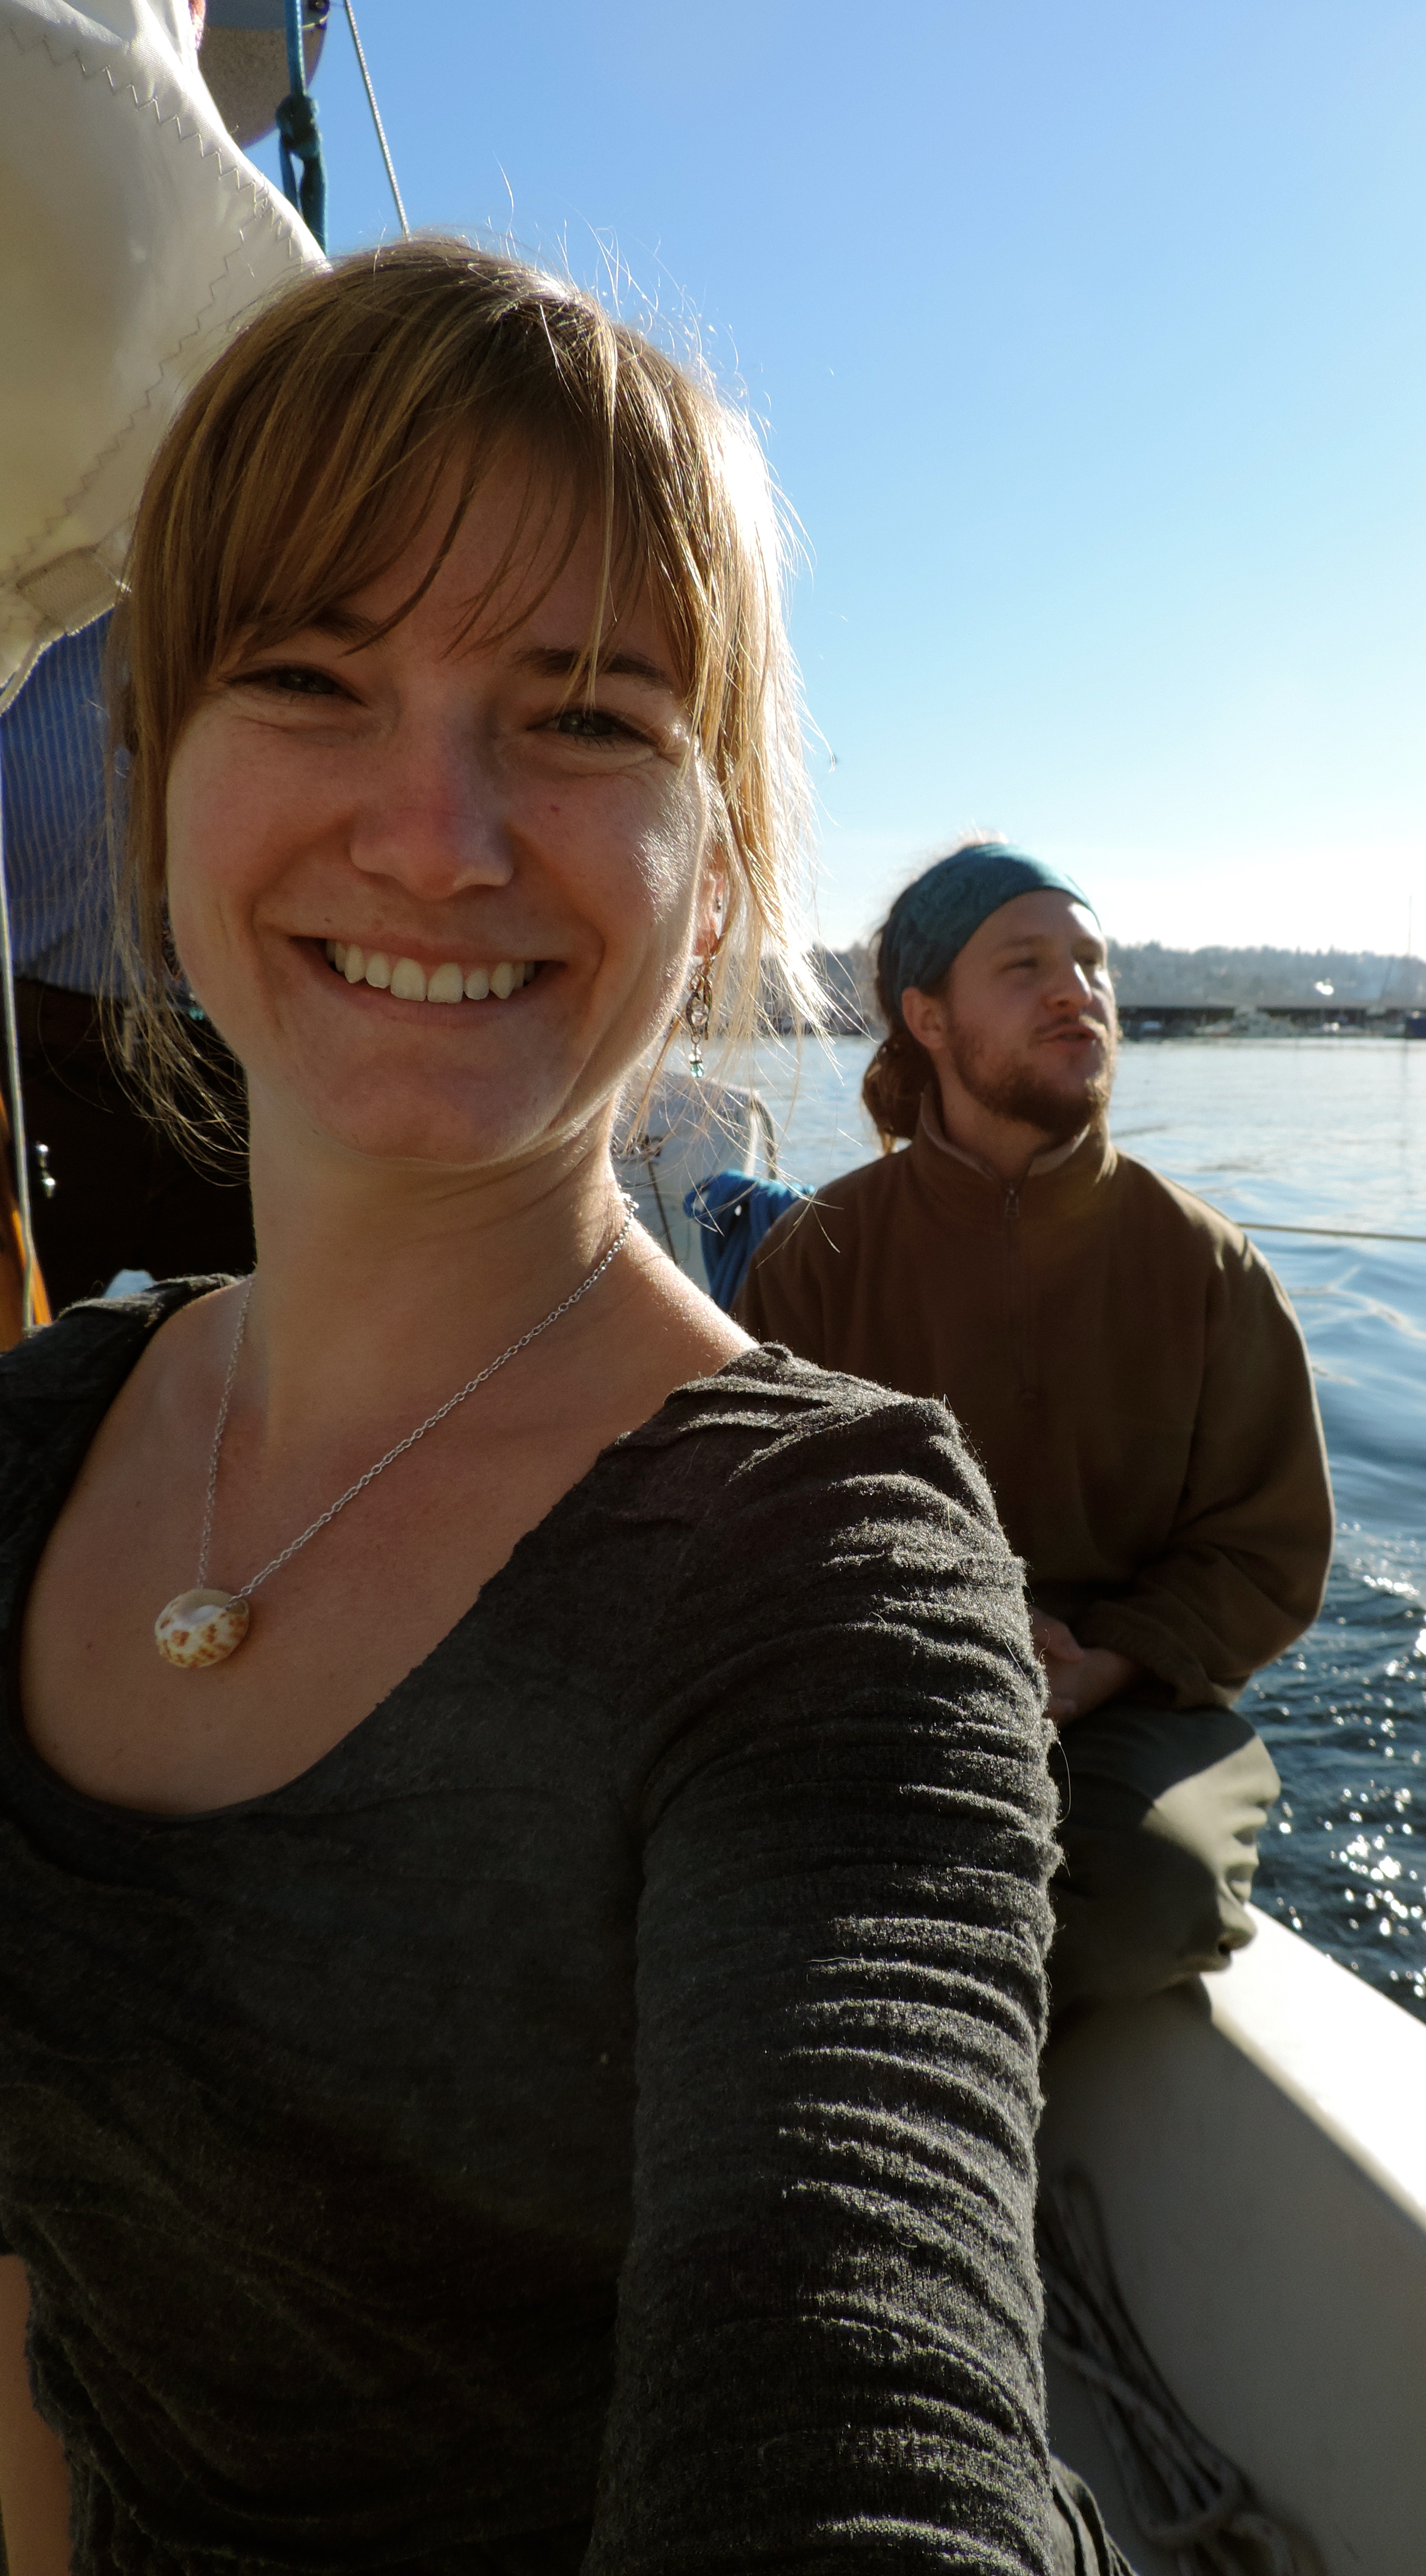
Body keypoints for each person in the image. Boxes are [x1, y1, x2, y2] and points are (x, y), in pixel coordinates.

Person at [0, 245, 1090, 2575]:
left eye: (586, 714)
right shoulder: (25, 1449)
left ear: (720, 871)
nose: (438, 833)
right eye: (309, 680)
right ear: (158, 783)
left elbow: (854, 2420)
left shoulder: (831, 1585)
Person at [737, 846, 1334, 2018]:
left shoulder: (1207, 1266)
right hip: (883, 1689)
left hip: (1131, 1709)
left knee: (1151, 1893)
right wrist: (937, 1642)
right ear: (928, 1019)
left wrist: (1102, 1662)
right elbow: (758, 1525)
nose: (1077, 991)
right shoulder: (820, 1257)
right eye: (1025, 967)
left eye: (1091, 963)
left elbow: (1266, 1551)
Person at [2, 619, 258, 1309]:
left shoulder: (258, 604)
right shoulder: (27, 609)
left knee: (284, 1345)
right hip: (39, 1071)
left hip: (244, 1076)